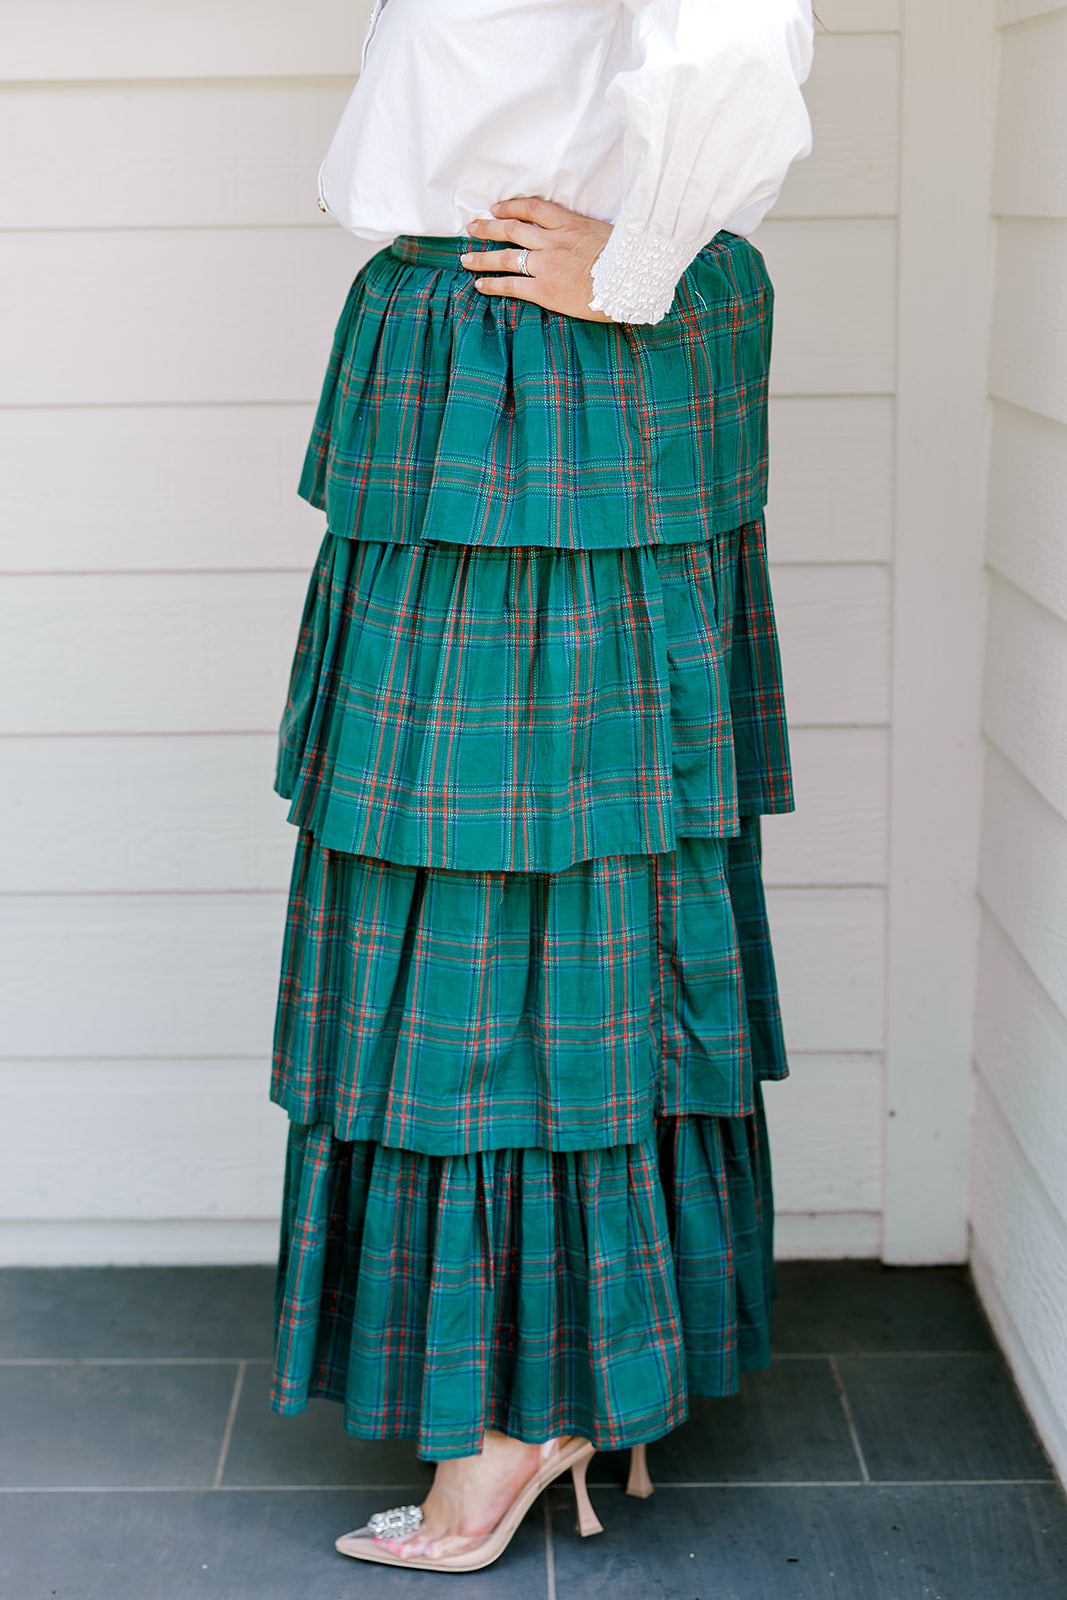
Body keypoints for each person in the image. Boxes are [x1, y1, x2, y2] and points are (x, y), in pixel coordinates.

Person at [267, 0, 815, 1574]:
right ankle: (538, 1381)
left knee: (536, 871)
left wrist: (636, 262)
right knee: (475, 860)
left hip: (549, 348)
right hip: (479, 345)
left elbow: (730, 35)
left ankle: (523, 1411)